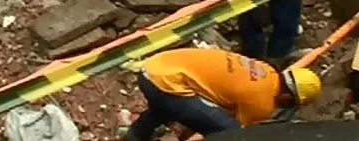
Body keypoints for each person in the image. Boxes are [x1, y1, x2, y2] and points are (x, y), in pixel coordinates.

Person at [124, 48, 321, 141]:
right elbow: (235, 131)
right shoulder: (262, 103)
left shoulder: (266, 70)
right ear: (287, 98)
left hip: (156, 66)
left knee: (171, 105)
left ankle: (135, 136)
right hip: (164, 83)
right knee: (229, 132)